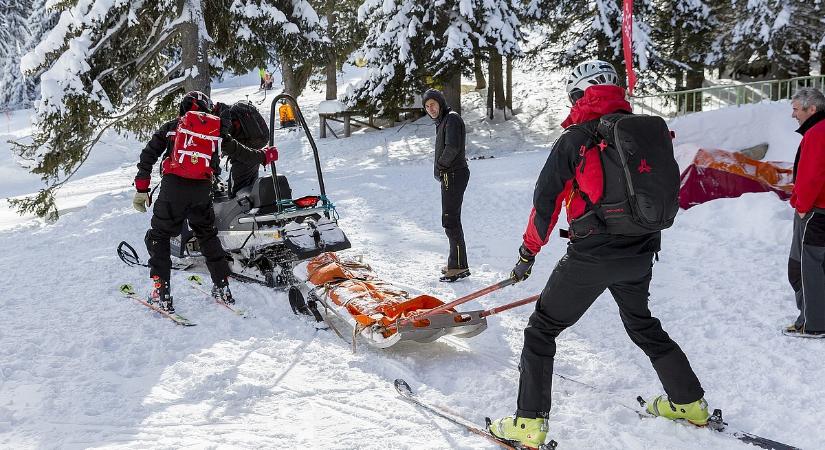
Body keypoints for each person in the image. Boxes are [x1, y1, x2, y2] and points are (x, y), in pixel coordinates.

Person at [487, 61, 708, 448]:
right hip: (641, 251)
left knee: (542, 330)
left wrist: (528, 253)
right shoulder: (641, 132)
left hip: (592, 255)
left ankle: (528, 425)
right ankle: (689, 403)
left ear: (578, 95)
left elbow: (545, 204)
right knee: (641, 323)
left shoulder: (577, 138)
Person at [132, 90, 279, 312]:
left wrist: (142, 189)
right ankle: (222, 287)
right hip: (202, 189)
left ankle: (160, 291)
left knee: (160, 235)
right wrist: (263, 156)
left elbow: (148, 155)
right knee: (207, 235)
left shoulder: (173, 126)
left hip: (174, 188)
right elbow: (239, 152)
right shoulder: (215, 129)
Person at [785, 87, 825, 337]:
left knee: (803, 268)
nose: (793, 115)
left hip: (815, 212)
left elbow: (811, 175)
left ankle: (813, 324)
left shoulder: (817, 133)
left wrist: (801, 207)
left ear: (812, 109)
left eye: (795, 109)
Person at [422, 88, 470, 282]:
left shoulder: (451, 119)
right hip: (450, 174)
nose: (430, 108)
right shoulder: (443, 121)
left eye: (433, 104)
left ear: (440, 103)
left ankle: (458, 266)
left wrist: (441, 166)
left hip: (453, 174)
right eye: (426, 106)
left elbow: (453, 147)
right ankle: (455, 262)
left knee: (450, 220)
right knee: (450, 219)